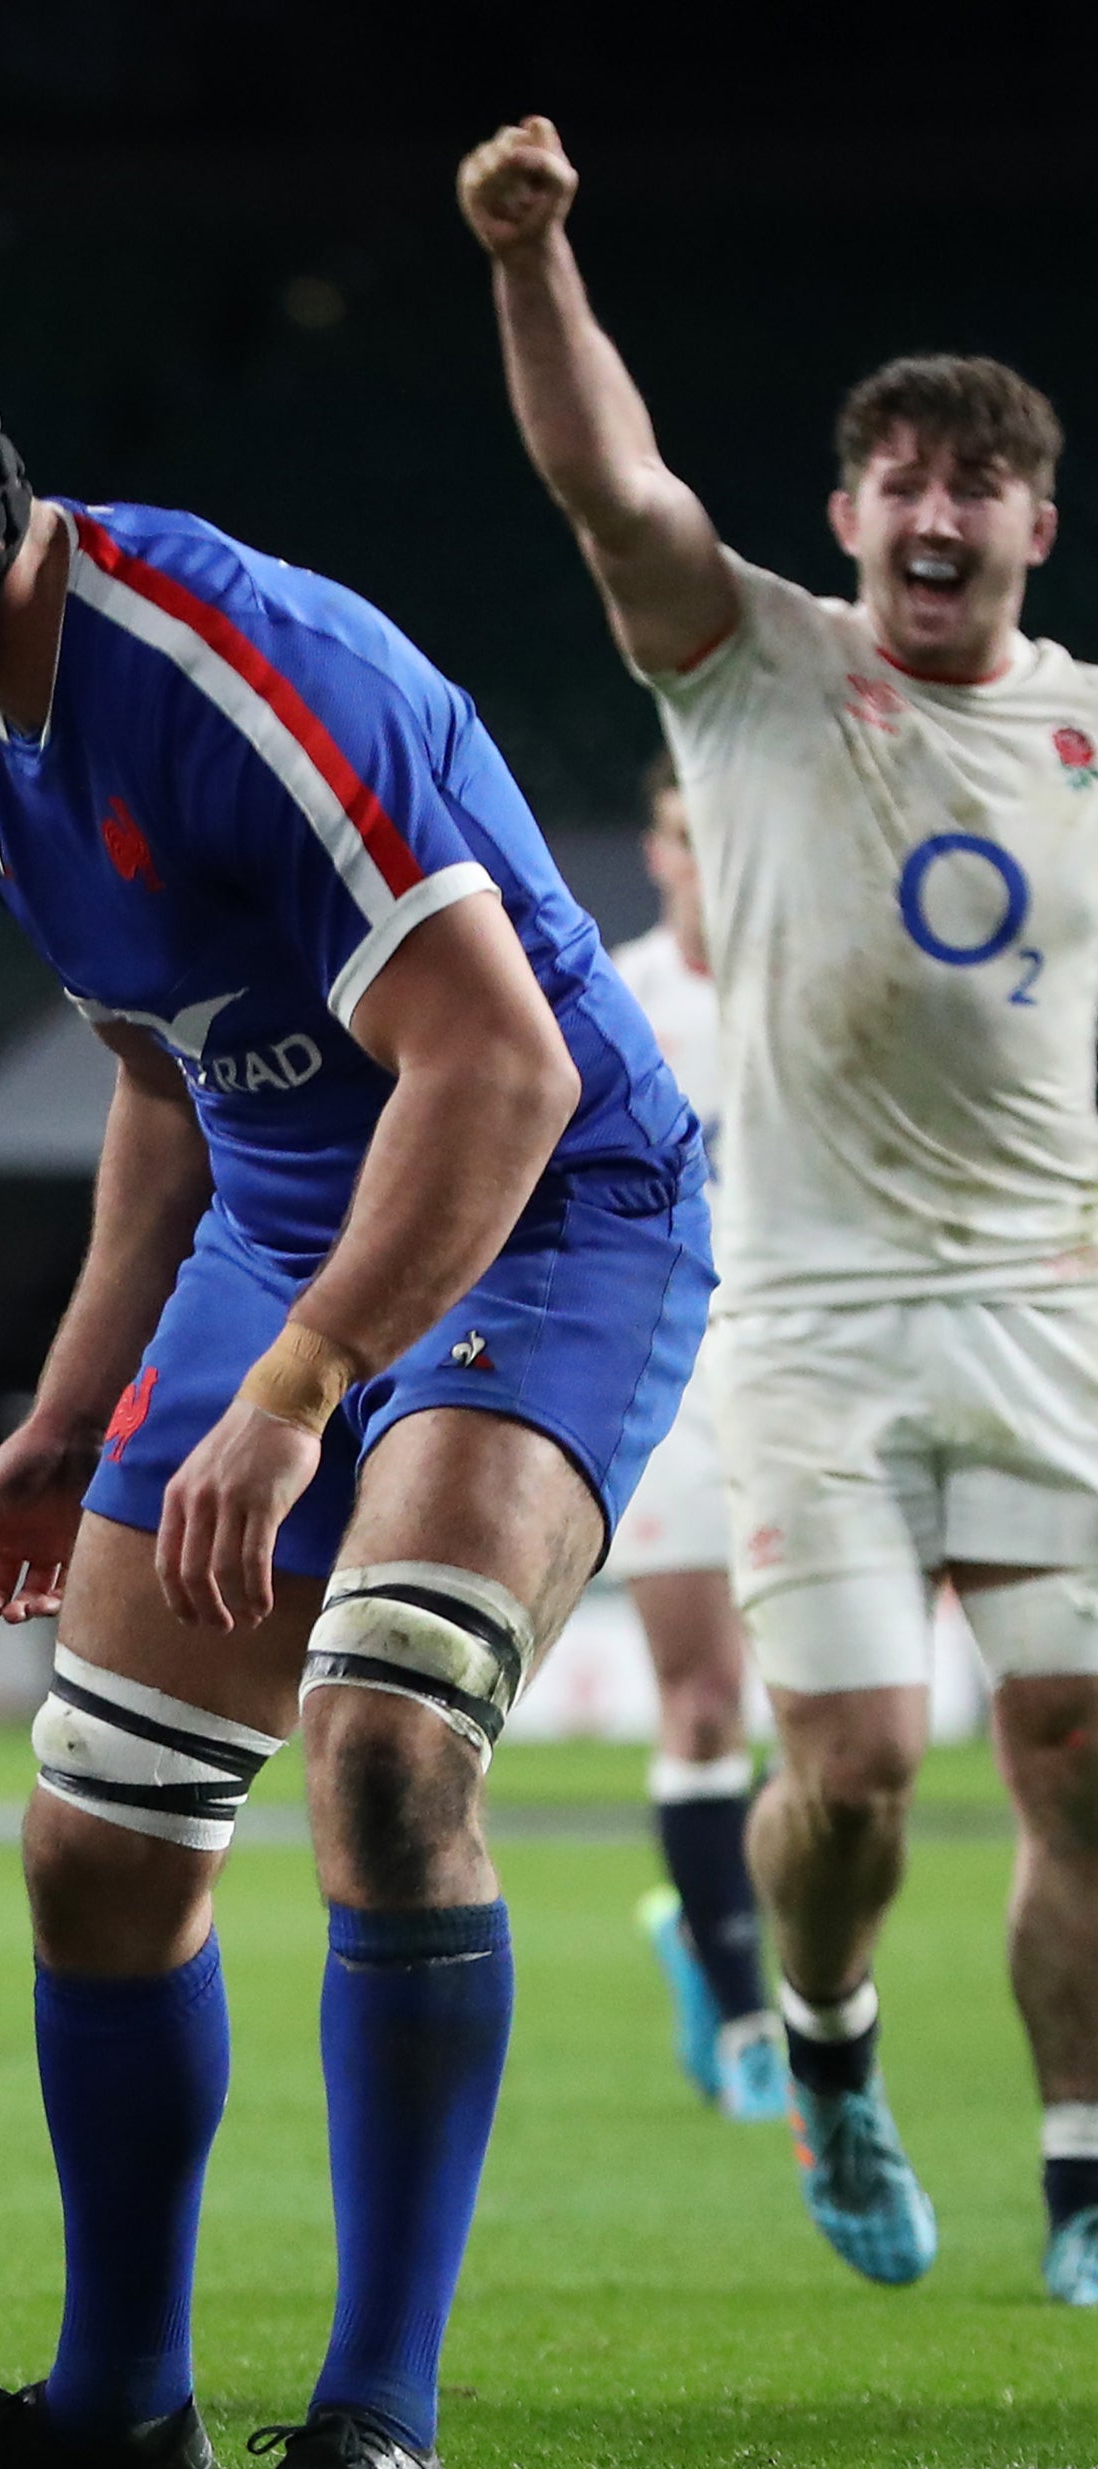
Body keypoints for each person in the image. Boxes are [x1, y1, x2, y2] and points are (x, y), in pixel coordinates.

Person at [0, 317, 707, 2469]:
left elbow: (506, 1070)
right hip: (282, 1229)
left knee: (380, 1741)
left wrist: (288, 1394)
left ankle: (381, 2431)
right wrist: (71, 1412)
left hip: (541, 1214)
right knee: (95, 1838)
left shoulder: (241, 673)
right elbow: (166, 1082)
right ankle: (120, 2398)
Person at [464, 118, 1098, 2301]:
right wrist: (534, 262)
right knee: (845, 1773)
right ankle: (825, 2044)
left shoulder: (1092, 739)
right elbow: (610, 486)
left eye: (975, 481)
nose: (935, 513)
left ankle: (1084, 2165)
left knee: (1074, 1753)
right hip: (813, 1317)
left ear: (1033, 519)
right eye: (898, 478)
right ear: (849, 517)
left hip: (1043, 1307)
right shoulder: (754, 668)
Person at [601, 757, 781, 2121]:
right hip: (676, 1370)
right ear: (659, 851)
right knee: (704, 1694)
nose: (703, 855)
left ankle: (720, 1928)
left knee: (841, 1740)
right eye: (682, 833)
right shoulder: (624, 996)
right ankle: (739, 2014)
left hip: (819, 1365)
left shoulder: (824, 983)